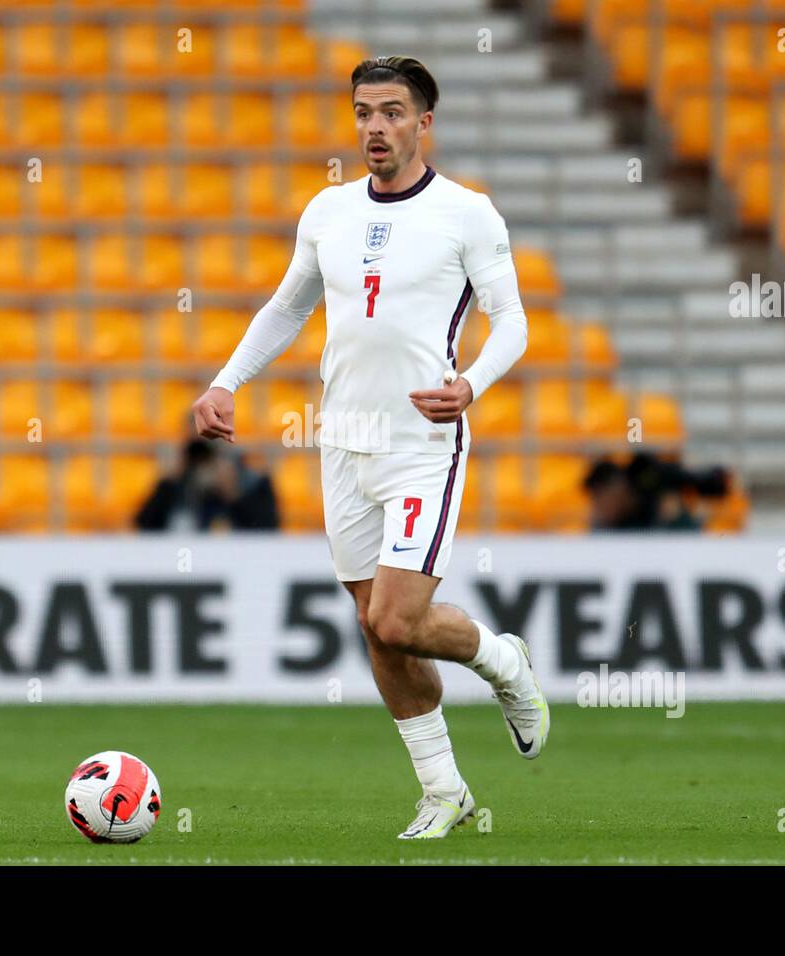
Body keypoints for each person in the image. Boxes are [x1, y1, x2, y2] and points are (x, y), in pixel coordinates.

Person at [190, 56, 545, 840]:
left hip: (423, 440)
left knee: (397, 616)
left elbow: (513, 321)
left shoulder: (467, 213)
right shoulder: (327, 211)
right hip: (342, 440)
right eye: (362, 113)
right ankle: (445, 790)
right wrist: (226, 383)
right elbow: (287, 308)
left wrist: (473, 383)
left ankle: (503, 662)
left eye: (390, 112)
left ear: (425, 122)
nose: (373, 128)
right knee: (374, 624)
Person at [136, 439, 279, 532]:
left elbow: (268, 529)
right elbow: (144, 522)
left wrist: (232, 494)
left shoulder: (257, 486)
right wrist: (174, 482)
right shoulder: (175, 488)